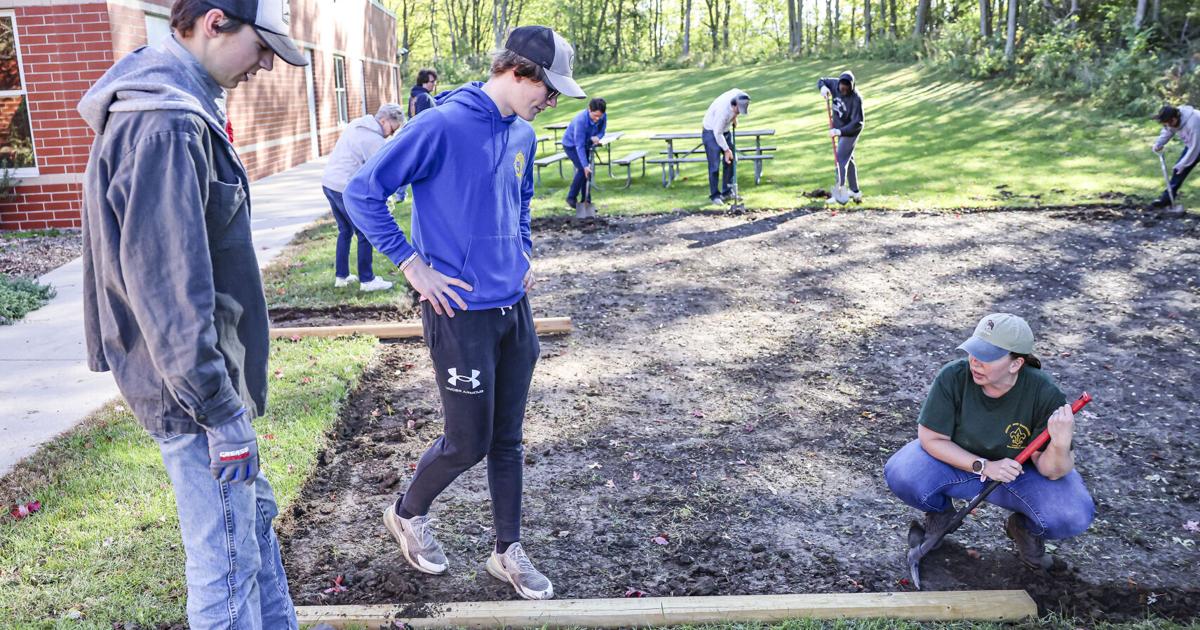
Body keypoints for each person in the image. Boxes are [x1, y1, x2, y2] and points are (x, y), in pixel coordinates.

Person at [77, 0, 307, 627]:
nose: (266, 62)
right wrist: (219, 411)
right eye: (262, 46)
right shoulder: (166, 123)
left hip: (202, 383)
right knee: (226, 566)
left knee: (250, 532)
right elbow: (167, 288)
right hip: (194, 395)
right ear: (214, 22)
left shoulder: (179, 107)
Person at [344, 25, 585, 600]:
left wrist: (524, 250)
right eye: (547, 90)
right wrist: (411, 266)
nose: (550, 102)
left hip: (513, 310)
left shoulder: (523, 135)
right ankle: (407, 512)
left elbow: (521, 199)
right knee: (466, 440)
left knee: (507, 439)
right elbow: (362, 191)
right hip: (458, 311)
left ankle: (507, 551)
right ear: (518, 71)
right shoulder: (442, 124)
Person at [884, 314, 1095, 571]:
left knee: (1071, 514)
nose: (975, 362)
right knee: (903, 472)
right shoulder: (953, 377)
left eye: (987, 356)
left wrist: (1060, 443)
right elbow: (930, 438)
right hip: (962, 464)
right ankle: (940, 514)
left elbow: (1051, 471)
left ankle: (1024, 529)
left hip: (1018, 476)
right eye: (974, 352)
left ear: (1016, 363)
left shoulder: (1044, 394)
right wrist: (983, 465)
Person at [321, 103, 406, 292]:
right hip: (344, 187)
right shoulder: (373, 140)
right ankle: (367, 280)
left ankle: (341, 277)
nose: (391, 134)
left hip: (329, 183)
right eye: (392, 128)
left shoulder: (357, 123)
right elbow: (378, 173)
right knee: (365, 233)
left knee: (345, 231)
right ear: (384, 120)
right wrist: (388, 199)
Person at [817, 71, 864, 203]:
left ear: (851, 87)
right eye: (841, 88)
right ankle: (855, 191)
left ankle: (839, 192)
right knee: (849, 159)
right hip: (839, 129)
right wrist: (823, 88)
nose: (843, 90)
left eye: (846, 88)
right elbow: (822, 80)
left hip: (851, 131)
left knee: (841, 160)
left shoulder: (856, 99)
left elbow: (858, 122)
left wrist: (840, 131)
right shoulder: (834, 84)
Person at [701, 88, 750, 205]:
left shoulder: (739, 95)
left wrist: (734, 117)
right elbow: (717, 133)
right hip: (711, 132)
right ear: (733, 106)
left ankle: (727, 191)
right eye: (738, 111)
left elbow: (736, 90)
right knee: (714, 165)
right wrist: (727, 150)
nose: (739, 112)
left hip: (724, 131)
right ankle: (715, 196)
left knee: (731, 160)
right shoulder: (722, 112)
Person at [1151, 104, 1198, 213]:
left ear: (1175, 118)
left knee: (1181, 166)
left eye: (1169, 122)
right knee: (1178, 171)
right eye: (1166, 123)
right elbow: (1168, 131)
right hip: (1192, 144)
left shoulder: (1193, 122)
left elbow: (1196, 148)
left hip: (1196, 143)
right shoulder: (1172, 119)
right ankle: (1166, 199)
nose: (1168, 125)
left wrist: (1183, 164)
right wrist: (1159, 143)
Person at [561, 97, 606, 210]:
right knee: (583, 169)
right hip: (571, 145)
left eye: (599, 116)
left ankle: (586, 203)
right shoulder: (581, 121)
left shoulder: (602, 116)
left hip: (586, 144)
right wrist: (585, 166)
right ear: (589, 109)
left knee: (587, 172)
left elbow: (602, 131)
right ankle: (571, 198)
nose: (597, 119)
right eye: (595, 116)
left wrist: (597, 137)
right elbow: (579, 146)